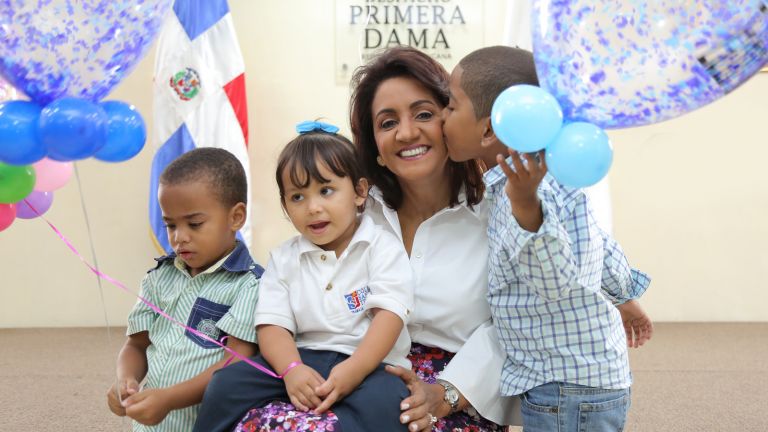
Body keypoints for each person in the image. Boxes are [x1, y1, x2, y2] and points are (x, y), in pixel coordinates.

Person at [442, 45, 653, 431]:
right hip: (592, 376)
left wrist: (525, 208)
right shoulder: (561, 175)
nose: (442, 116)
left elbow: (554, 282)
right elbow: (599, 243)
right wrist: (624, 297)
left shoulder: (521, 194)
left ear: (489, 129)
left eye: (451, 106)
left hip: (563, 386)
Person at [192, 122, 414, 432]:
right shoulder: (283, 257)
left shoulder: (382, 245)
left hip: (370, 363)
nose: (313, 208)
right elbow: (272, 326)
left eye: (326, 191)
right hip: (303, 355)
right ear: (285, 206)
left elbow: (389, 316)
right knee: (225, 385)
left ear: (359, 192)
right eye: (297, 197)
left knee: (390, 403)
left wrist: (356, 368)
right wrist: (292, 369)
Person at [106, 148, 263, 431]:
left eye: (194, 223)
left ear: (236, 217)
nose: (179, 237)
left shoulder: (250, 284)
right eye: (170, 225)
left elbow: (236, 363)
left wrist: (169, 399)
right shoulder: (158, 277)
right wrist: (125, 380)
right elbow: (136, 344)